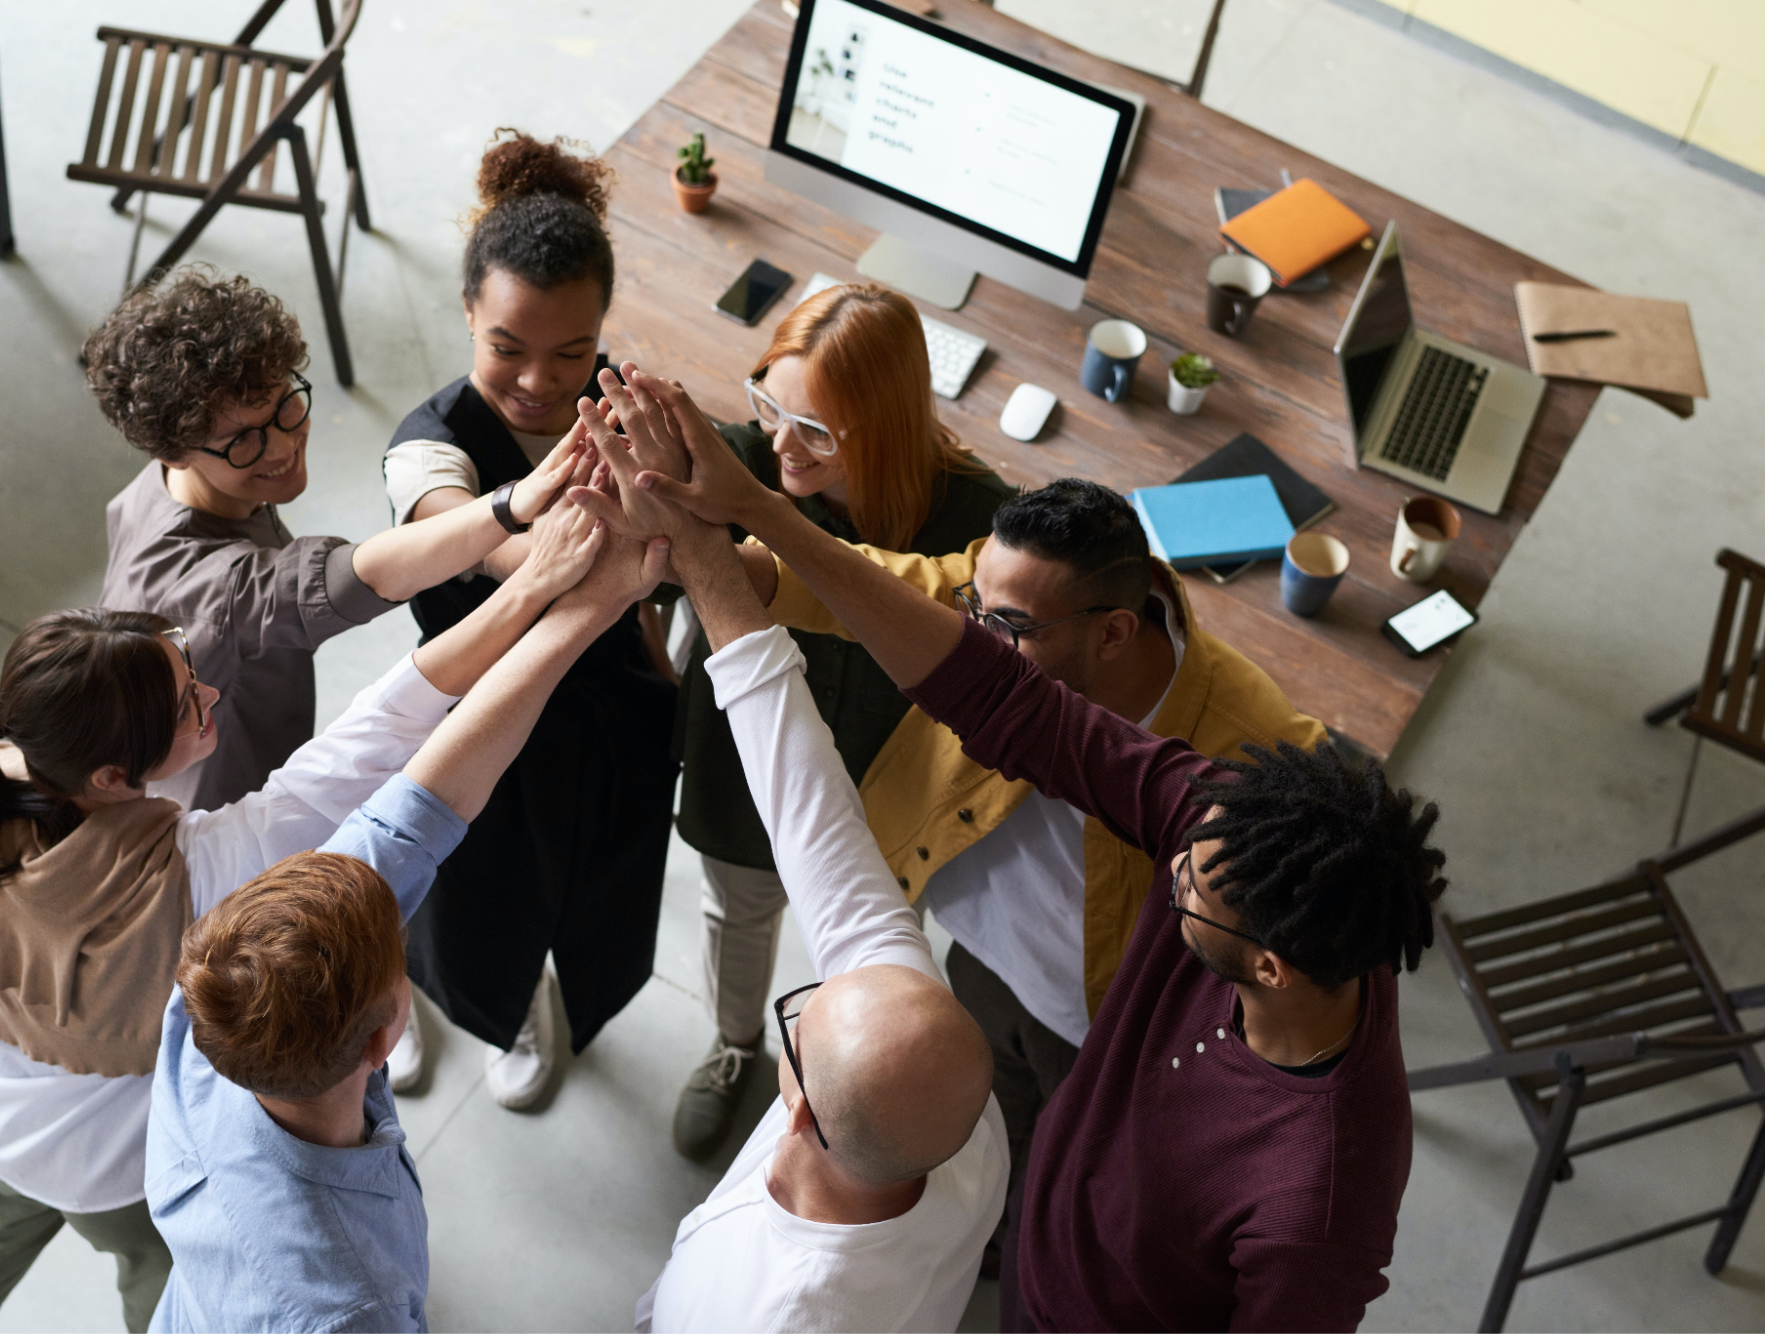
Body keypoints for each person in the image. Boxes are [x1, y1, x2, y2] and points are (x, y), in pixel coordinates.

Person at [591, 367, 1449, 1333]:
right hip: (1035, 1231)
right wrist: (743, 518)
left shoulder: (1320, 1199)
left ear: (1264, 964)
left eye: (1187, 892)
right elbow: (1000, 697)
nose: (1168, 866)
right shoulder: (1229, 827)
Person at [0, 500, 603, 1334]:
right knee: (169, 1294)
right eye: (189, 704)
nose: (211, 694)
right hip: (120, 1168)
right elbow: (375, 737)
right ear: (117, 776)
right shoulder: (203, 876)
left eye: (186, 669)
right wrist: (532, 595)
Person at [758, 479, 1326, 1274]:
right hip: (979, 958)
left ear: (1115, 632)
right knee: (976, 1129)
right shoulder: (1008, 589)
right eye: (976, 607)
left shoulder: (1250, 747)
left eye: (1010, 628)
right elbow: (881, 583)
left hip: (1089, 1021)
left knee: (1053, 1189)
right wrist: (749, 570)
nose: (976, 642)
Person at [146, 525, 671, 1332]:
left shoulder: (211, 1008)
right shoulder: (351, 1302)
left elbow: (419, 808)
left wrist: (592, 603)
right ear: (383, 1037)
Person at [566, 381, 1007, 1335]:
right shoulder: (959, 1125)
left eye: (795, 1018)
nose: (822, 983)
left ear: (795, 1104)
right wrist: (702, 553)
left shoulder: (778, 1311)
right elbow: (816, 820)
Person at [88, 268, 578, 1089]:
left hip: (250, 768)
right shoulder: (206, 584)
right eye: (243, 439)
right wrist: (512, 507)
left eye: (287, 405)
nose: (280, 444)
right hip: (225, 814)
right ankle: (370, 1005)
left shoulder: (161, 489)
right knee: (323, 918)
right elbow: (354, 577)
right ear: (172, 446)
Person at [668, 283, 1013, 1161]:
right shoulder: (734, 463)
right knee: (737, 914)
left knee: (864, 964)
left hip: (892, 801)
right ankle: (735, 1043)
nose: (779, 443)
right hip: (745, 775)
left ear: (887, 426)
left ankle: (838, 1090)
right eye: (767, 404)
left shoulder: (981, 526)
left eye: (815, 429)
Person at [379, 130, 677, 1108]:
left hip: (603, 712)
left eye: (572, 353)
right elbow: (464, 533)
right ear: (467, 311)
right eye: (506, 347)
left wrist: (657, 649)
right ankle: (410, 1000)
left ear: (604, 333)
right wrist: (560, 555)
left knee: (590, 897)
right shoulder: (427, 450)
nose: (540, 382)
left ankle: (528, 1010)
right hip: (474, 709)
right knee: (453, 891)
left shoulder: (634, 416)